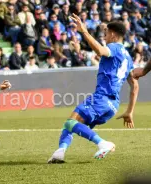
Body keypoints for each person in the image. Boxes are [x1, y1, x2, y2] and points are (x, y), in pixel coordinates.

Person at [48, 15, 139, 164]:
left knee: (71, 123)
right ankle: (60, 152)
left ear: (113, 34)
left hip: (101, 98)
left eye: (106, 34)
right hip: (112, 105)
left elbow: (99, 50)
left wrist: (84, 31)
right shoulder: (128, 57)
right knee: (71, 123)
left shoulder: (113, 47)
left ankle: (103, 143)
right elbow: (134, 85)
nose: (104, 37)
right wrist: (130, 111)